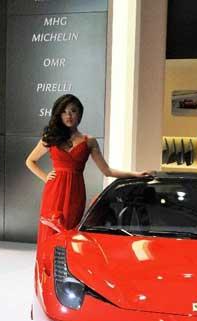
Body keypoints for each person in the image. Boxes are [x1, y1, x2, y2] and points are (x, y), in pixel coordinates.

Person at [26, 94, 148, 253]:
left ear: (80, 115)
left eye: (73, 111)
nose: (68, 115)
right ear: (59, 114)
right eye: (64, 111)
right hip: (54, 192)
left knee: (70, 233)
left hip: (75, 193)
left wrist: (135, 174)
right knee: (50, 232)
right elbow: (30, 161)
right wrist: (46, 178)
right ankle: (46, 270)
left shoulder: (89, 141)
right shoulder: (51, 138)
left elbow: (107, 171)